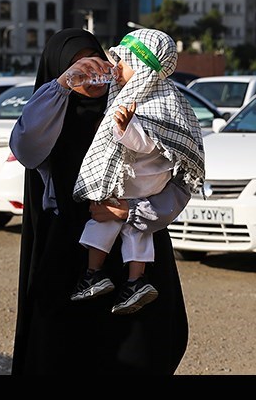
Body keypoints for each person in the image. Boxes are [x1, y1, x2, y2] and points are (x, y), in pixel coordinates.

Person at [9, 28, 192, 375]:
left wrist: (132, 211)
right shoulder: (50, 114)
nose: (92, 75)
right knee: (63, 354)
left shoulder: (142, 107)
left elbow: (182, 177)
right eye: (79, 67)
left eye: (97, 64)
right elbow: (26, 148)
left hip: (137, 253)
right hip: (71, 255)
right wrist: (63, 86)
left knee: (142, 351)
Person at [71, 29, 204, 315]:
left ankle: (94, 273)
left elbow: (148, 142)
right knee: (137, 230)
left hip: (133, 185)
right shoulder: (161, 98)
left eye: (124, 61)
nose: (116, 67)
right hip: (143, 193)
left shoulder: (150, 101)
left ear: (143, 67)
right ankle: (135, 281)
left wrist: (123, 128)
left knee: (102, 222)